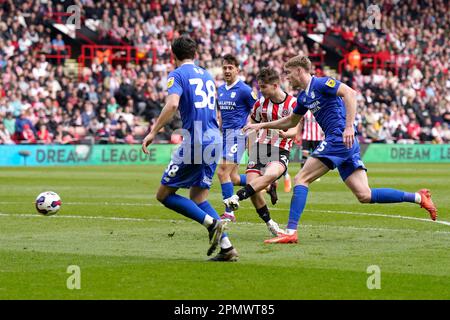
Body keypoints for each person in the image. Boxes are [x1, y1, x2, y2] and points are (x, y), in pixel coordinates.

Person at [244, 55, 438, 244]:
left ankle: (291, 231)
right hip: (344, 144)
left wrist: (348, 126)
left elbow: (350, 93)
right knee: (365, 195)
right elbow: (291, 121)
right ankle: (419, 197)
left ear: (299, 71)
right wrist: (262, 126)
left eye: (289, 73)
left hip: (338, 138)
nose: (287, 77)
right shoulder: (303, 97)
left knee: (301, 178)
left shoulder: (321, 83)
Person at [141, 36, 238, 261]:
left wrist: (154, 131)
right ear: (195, 54)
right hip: (215, 138)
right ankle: (227, 248)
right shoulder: (207, 75)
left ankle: (212, 224)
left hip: (195, 140)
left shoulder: (177, 74)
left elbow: (173, 103)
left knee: (164, 195)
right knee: (198, 196)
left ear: (172, 55)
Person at [223, 67, 299, 237]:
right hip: (260, 148)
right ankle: (270, 223)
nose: (260, 91)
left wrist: (287, 133)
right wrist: (251, 148)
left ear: (275, 85)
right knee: (254, 188)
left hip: (280, 148)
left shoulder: (293, 103)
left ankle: (237, 197)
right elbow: (252, 125)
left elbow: (296, 131)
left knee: (271, 174)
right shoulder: (259, 104)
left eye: (263, 87)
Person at [216, 54, 257, 222]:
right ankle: (265, 184)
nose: (227, 71)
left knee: (222, 172)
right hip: (225, 135)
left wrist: (251, 132)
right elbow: (222, 113)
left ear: (237, 70)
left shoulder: (245, 90)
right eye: (225, 67)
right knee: (233, 178)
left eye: (230, 68)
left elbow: (257, 110)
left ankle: (229, 213)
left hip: (238, 135)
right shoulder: (220, 89)